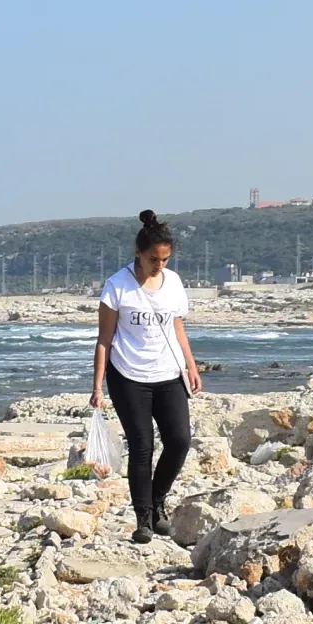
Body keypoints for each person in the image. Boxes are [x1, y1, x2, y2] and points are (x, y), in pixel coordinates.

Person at [92, 211, 201, 541]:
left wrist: (191, 365)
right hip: (127, 375)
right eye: (154, 259)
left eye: (165, 259)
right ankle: (143, 518)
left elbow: (177, 327)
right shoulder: (117, 286)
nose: (159, 266)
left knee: (180, 441)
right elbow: (103, 339)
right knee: (142, 446)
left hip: (168, 373)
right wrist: (97, 385)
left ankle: (157, 502)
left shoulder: (175, 283)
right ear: (138, 253)